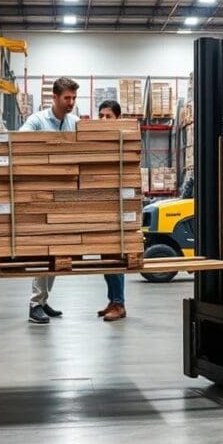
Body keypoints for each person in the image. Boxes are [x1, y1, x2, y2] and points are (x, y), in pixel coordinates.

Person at [20, 77, 80, 324]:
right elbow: (20, 142)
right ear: (54, 98)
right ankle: (35, 304)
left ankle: (43, 300)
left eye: (74, 98)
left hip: (65, 193)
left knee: (58, 251)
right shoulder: (37, 121)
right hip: (42, 193)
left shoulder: (75, 122)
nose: (71, 103)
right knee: (45, 250)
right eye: (67, 98)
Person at [96, 100, 127, 322]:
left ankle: (120, 304)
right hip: (104, 203)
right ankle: (113, 299)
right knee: (105, 256)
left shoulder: (124, 138)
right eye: (101, 116)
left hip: (119, 205)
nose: (104, 120)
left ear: (118, 117)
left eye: (108, 116)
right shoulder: (100, 141)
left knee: (115, 256)